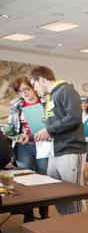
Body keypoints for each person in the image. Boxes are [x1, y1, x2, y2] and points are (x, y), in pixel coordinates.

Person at [30, 66, 87, 215]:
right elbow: (50, 126)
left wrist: (49, 130)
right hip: (55, 151)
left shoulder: (65, 90)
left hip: (71, 150)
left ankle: (82, 232)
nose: (34, 89)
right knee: (59, 195)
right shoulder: (51, 97)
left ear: (42, 79)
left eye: (34, 84)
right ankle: (67, 229)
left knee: (74, 197)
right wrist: (30, 136)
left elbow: (73, 118)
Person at [9, 76, 50, 222]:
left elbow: (52, 125)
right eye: (20, 91)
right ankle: (28, 215)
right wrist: (14, 135)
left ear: (33, 88)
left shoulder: (46, 102)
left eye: (26, 89)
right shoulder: (16, 105)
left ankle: (44, 212)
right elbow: (11, 128)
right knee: (25, 180)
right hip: (24, 146)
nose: (24, 93)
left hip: (43, 145)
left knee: (43, 178)